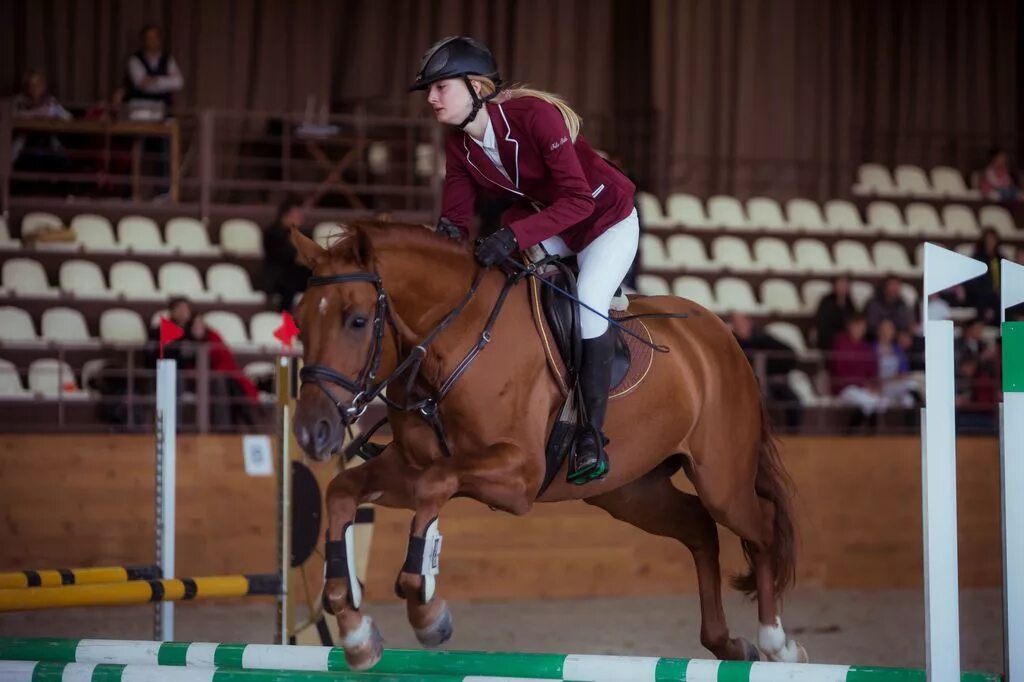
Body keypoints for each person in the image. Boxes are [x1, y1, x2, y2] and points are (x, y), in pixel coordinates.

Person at [410, 36, 638, 484]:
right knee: (497, 280)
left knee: (589, 297)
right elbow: (454, 222)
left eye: (441, 87)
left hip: (604, 219)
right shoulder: (459, 148)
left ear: (477, 87)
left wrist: (511, 235)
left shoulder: (536, 117)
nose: (432, 98)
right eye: (429, 90)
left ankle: (591, 435)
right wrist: (436, 256)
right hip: (552, 225)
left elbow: (577, 201)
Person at [146, 298, 258, 426]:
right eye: (179, 309)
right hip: (173, 373)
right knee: (176, 379)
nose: (183, 312)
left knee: (220, 381)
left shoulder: (195, 332)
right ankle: (173, 427)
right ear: (171, 312)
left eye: (186, 309)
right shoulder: (158, 331)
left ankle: (224, 427)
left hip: (198, 374)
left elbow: (208, 356)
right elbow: (153, 356)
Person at [729, 312, 802, 429]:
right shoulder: (733, 342)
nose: (739, 326)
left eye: (742, 322)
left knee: (793, 401)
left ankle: (793, 434)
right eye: (736, 323)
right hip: (744, 384)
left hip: (770, 380)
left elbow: (789, 354)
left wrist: (771, 369)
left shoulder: (763, 338)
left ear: (749, 323)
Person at [12, 70, 72, 191]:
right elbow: (12, 115)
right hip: (24, 144)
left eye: (37, 85)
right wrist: (34, 114)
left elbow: (68, 118)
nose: (34, 89)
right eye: (31, 86)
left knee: (62, 159)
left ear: (43, 87)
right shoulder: (19, 101)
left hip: (48, 143)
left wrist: (53, 113)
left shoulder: (49, 101)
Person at [830, 313, 887, 426]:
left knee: (881, 403)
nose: (859, 329)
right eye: (856, 326)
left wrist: (873, 386)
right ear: (849, 326)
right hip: (845, 387)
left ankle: (864, 434)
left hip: (864, 388)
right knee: (868, 403)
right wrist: (862, 383)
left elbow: (873, 372)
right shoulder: (840, 342)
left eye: (862, 326)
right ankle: (852, 433)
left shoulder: (866, 347)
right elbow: (839, 370)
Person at [263, 196, 310, 312]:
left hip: (298, 273)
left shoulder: (302, 234)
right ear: (286, 215)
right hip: (278, 277)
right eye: (297, 215)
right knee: (290, 283)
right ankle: (284, 318)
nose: (300, 218)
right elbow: (287, 255)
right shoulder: (272, 233)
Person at [124, 25, 184, 115]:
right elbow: (141, 84)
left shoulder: (168, 59)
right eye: (149, 38)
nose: (152, 41)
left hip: (163, 107)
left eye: (155, 37)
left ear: (159, 39)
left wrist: (154, 80)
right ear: (143, 40)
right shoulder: (135, 60)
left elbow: (178, 83)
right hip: (140, 107)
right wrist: (167, 81)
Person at [873, 319, 919, 409]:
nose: (887, 332)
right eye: (885, 329)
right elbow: (870, 371)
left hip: (896, 384)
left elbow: (904, 371)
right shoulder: (872, 349)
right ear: (878, 331)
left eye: (890, 329)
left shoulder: (897, 350)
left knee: (908, 399)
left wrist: (898, 376)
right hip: (880, 384)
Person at [966, 228, 1008, 323]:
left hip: (1000, 296)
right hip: (981, 296)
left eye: (993, 239)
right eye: (988, 239)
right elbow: (973, 282)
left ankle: (1013, 336)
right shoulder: (977, 258)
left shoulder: (1002, 259)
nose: (990, 242)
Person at [813, 274, 857, 351]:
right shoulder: (827, 301)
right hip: (829, 338)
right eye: (841, 284)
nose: (843, 287)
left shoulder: (849, 302)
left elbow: (853, 320)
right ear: (835, 286)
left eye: (846, 285)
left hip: (846, 337)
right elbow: (822, 324)